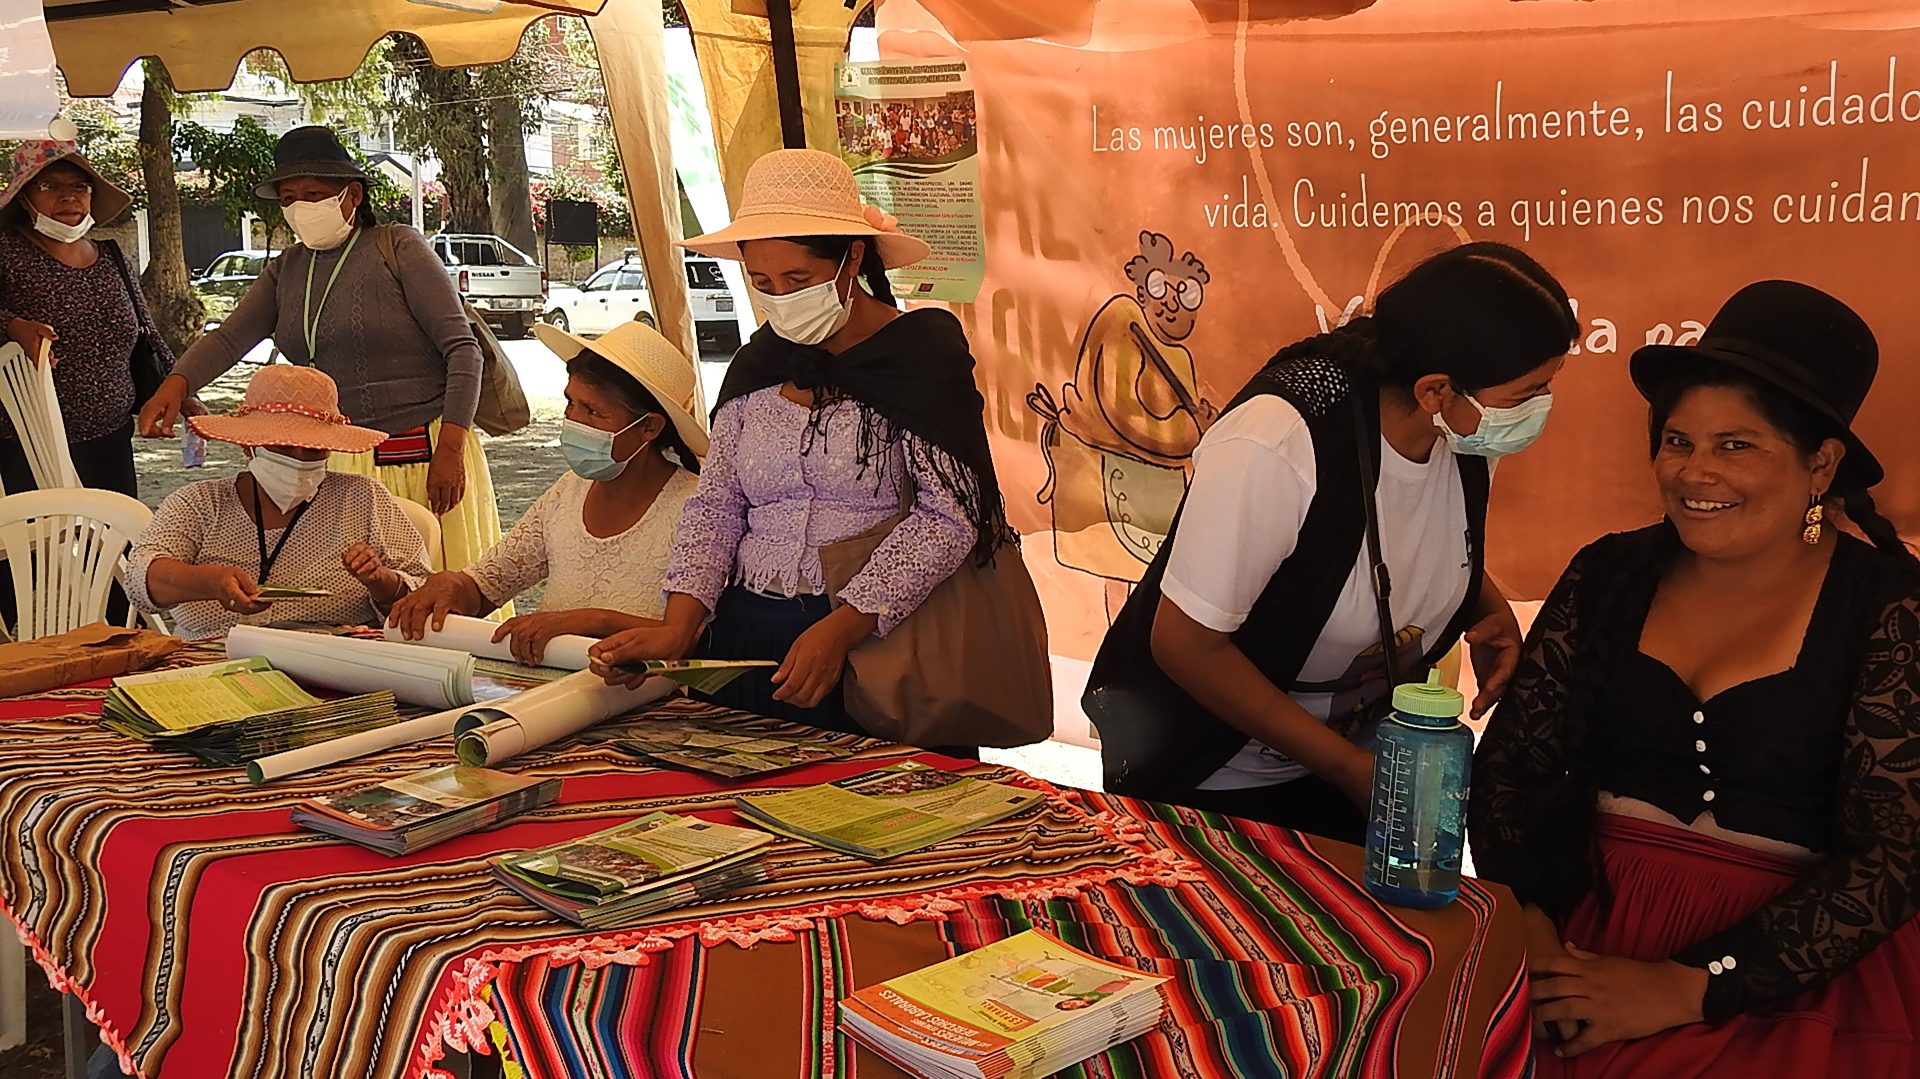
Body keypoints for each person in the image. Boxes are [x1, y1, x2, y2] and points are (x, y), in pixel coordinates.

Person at [1469, 281, 1920, 1075]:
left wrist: (1685, 989)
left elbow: (1891, 858)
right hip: (1581, 927)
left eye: (1735, 445)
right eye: (1678, 441)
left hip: (1793, 964)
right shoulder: (1609, 571)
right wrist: (1533, 927)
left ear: (1821, 463)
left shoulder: (1889, 608)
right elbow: (1510, 767)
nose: (1693, 473)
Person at [1081, 242, 1578, 842]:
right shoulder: (1278, 443)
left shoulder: (1463, 436)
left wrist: (1484, 605)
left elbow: (1408, 534)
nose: (1540, 408)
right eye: (1526, 393)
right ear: (1436, 391)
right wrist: (1346, 768)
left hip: (1351, 766)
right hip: (1211, 777)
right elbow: (1186, 644)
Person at [587, 149, 1014, 736]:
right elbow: (716, 507)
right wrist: (679, 624)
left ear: (852, 260)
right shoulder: (757, 367)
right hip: (746, 628)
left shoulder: (920, 358)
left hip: (877, 639)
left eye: (798, 279)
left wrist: (843, 626)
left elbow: (948, 516)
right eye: (761, 282)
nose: (780, 297)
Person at [134, 125, 505, 601]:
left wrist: (452, 447)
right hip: (329, 457)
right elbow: (228, 339)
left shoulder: (399, 247)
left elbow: (462, 348)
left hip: (424, 449)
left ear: (351, 195)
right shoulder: (286, 268)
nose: (299, 207)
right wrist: (175, 384)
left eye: (314, 193)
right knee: (343, 598)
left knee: (439, 598)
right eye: (288, 197)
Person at [389, 320, 706, 665]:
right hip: (553, 688)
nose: (573, 420)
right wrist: (453, 588)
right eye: (571, 403)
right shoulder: (567, 494)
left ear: (649, 427)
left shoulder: (696, 509)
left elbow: (687, 638)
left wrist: (588, 622)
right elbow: (485, 584)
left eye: (593, 411)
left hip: (647, 699)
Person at [128, 364, 433, 641]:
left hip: (336, 659)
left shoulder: (363, 497)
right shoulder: (200, 503)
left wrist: (381, 581)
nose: (299, 459)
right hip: (214, 661)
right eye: (283, 447)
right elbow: (141, 578)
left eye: (313, 450)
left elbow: (422, 599)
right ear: (249, 446)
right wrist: (210, 582)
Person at [0, 137, 181, 497]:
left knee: (112, 544)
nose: (68, 197)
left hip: (110, 437)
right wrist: (12, 326)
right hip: (27, 443)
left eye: (79, 186)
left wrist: (179, 383)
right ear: (24, 197)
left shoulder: (112, 256)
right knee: (39, 551)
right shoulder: (6, 250)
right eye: (49, 185)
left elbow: (147, 331)